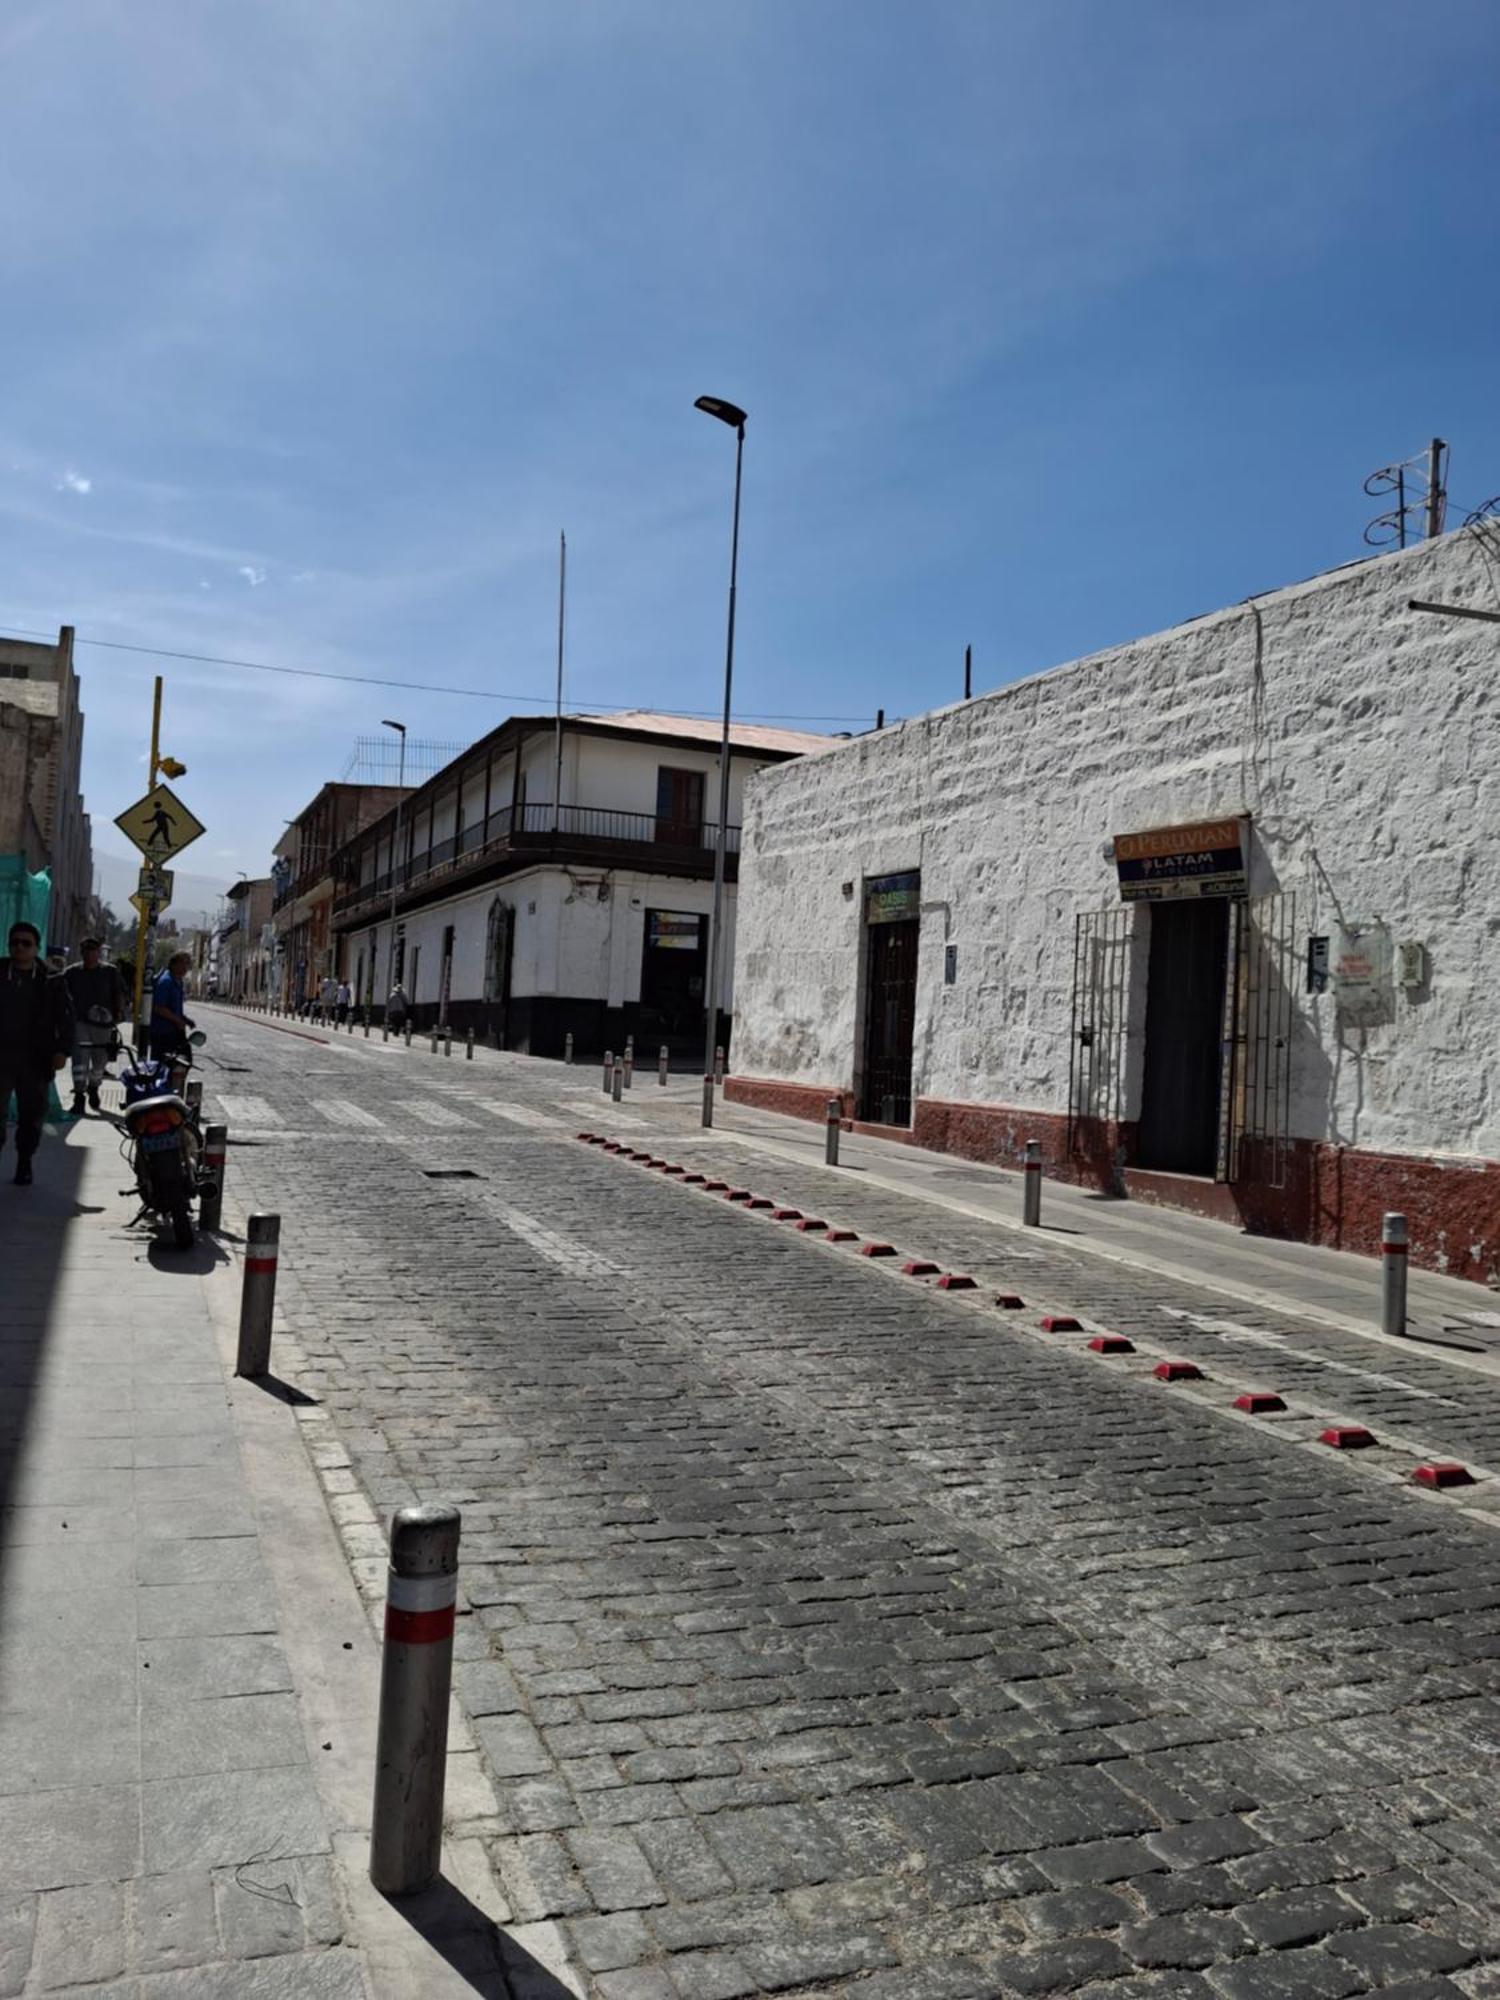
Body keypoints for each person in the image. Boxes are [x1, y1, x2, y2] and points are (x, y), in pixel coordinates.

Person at [0, 922, 74, 1186]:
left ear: (36, 947)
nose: (19, 947)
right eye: (14, 942)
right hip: (2, 1057)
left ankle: (24, 1162)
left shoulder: (51, 980)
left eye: (26, 943)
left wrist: (62, 1050)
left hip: (35, 1058)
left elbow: (65, 1018)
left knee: (31, 1116)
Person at [64, 937, 129, 1114]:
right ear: (81, 952)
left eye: (93, 949)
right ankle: (79, 1096)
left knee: (100, 1061)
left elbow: (120, 992)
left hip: (103, 1023)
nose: (89, 953)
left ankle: (94, 1086)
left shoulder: (110, 972)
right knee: (79, 1060)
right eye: (86, 949)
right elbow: (60, 994)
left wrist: (119, 1013)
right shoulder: (71, 973)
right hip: (80, 1022)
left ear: (98, 952)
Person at [149, 951, 195, 1059]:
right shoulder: (166, 981)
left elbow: (174, 1009)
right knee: (162, 1066)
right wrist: (178, 1021)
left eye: (188, 964)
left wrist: (186, 1020)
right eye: (184, 963)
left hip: (173, 1033)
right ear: (174, 964)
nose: (186, 967)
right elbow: (158, 1008)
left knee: (178, 1063)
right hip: (163, 1033)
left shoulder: (178, 981)